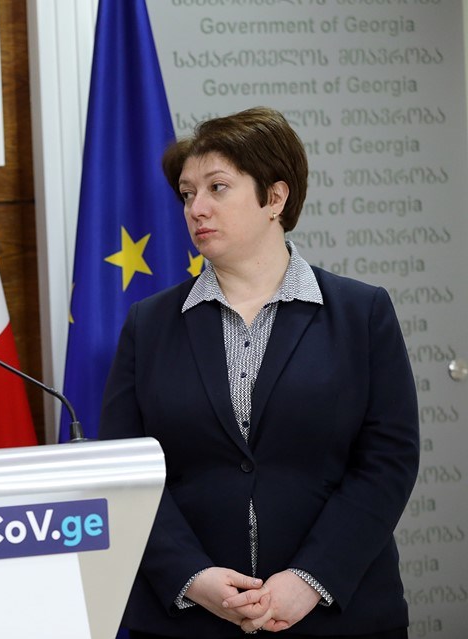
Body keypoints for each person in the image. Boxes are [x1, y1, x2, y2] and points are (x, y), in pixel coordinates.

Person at [100, 107, 418, 638]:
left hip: (338, 614)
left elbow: (389, 461)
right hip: (189, 619)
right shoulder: (148, 325)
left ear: (275, 197)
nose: (196, 208)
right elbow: (124, 468)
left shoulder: (361, 313)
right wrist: (193, 576)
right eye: (187, 194)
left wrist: (310, 579)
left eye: (217, 188)